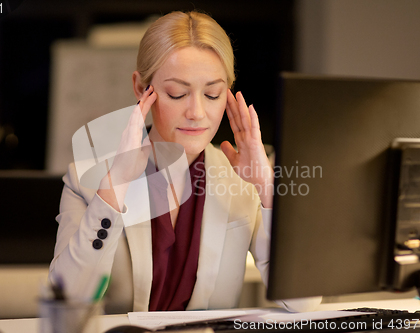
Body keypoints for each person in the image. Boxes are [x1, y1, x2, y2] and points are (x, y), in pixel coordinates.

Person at [48, 10, 321, 313]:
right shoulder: (85, 181)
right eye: (178, 94)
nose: (197, 112)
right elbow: (67, 299)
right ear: (142, 89)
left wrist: (267, 186)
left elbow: (304, 301)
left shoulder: (241, 182)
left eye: (213, 94)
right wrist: (114, 189)